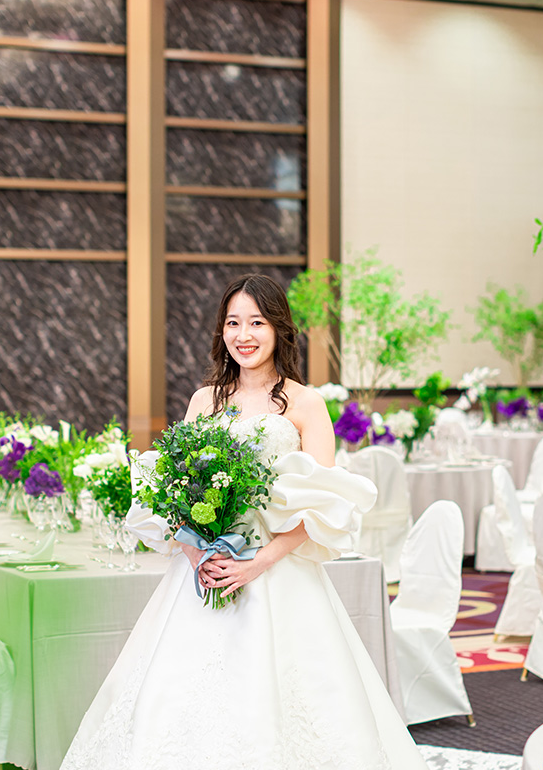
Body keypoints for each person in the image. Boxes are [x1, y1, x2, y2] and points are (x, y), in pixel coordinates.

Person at [60, 274, 429, 770]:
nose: (244, 334)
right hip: (204, 570)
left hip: (277, 572)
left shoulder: (305, 404)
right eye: (233, 322)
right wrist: (197, 554)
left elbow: (327, 505)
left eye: (256, 321)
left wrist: (256, 564)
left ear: (278, 329)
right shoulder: (203, 400)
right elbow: (173, 494)